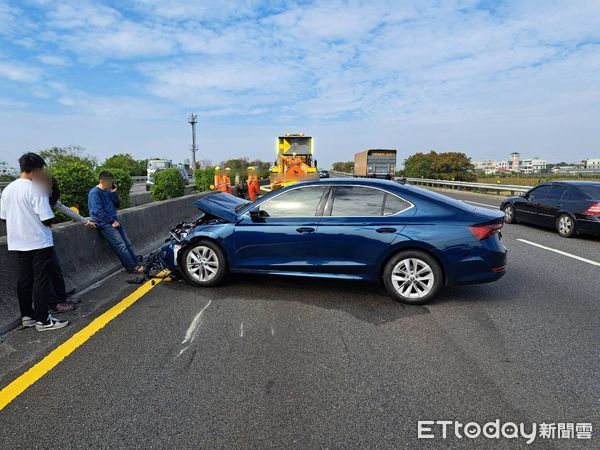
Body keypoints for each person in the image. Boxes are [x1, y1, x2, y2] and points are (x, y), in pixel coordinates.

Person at [0, 153, 69, 331]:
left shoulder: (7, 190)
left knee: (24, 280)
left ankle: (27, 317)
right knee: (41, 281)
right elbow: (46, 219)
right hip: (38, 242)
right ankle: (43, 320)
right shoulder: (35, 188)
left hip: (17, 242)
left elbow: (3, 218)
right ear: (37, 169)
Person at [45, 176, 97, 313]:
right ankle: (54, 303)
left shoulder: (50, 198)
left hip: (45, 239)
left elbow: (63, 208)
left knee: (56, 269)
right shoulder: (33, 195)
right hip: (34, 241)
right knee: (45, 274)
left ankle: (61, 296)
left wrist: (83, 220)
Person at [88, 171, 144, 274]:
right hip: (105, 223)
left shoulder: (108, 191)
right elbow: (97, 211)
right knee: (120, 245)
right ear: (101, 181)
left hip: (114, 220)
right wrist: (112, 221)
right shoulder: (94, 193)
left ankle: (135, 262)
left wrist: (114, 192)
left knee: (127, 243)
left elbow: (117, 204)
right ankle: (132, 267)